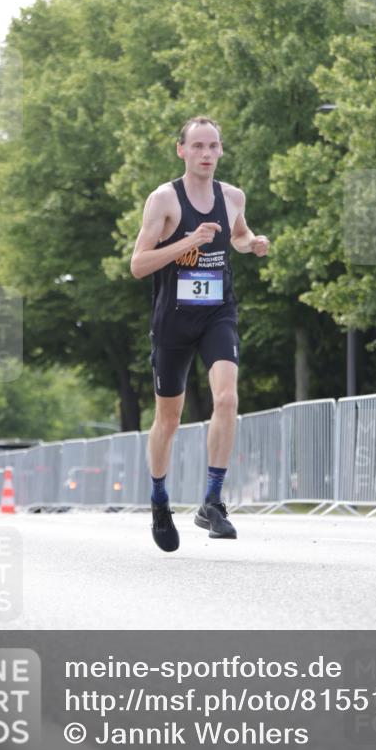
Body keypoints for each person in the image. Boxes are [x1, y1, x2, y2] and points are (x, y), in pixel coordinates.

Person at [130, 116, 270, 551]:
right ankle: (158, 499)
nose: (206, 154)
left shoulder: (232, 197)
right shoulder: (163, 200)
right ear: (182, 151)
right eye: (198, 147)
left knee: (227, 398)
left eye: (213, 146)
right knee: (168, 419)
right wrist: (187, 242)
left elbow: (240, 236)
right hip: (172, 318)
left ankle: (212, 501)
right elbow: (138, 264)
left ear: (221, 151)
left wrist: (254, 243)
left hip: (217, 313)